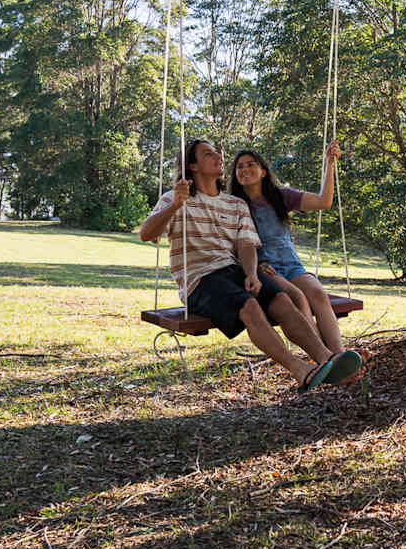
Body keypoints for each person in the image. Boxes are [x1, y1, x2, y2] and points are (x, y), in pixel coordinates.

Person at [139, 138, 362, 392]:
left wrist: (250, 273)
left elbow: (246, 244)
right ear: (193, 166)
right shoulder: (175, 198)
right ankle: (300, 370)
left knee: (281, 300)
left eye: (217, 152)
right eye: (209, 154)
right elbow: (147, 234)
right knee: (249, 305)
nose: (218, 156)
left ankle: (328, 359)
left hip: (233, 271)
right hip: (201, 279)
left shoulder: (235, 204)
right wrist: (176, 205)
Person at [228, 140, 352, 358]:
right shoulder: (233, 204)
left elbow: (324, 202)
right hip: (265, 269)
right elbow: (234, 244)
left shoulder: (281, 196)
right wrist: (254, 268)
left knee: (318, 294)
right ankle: (324, 358)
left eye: (250, 164)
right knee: (299, 299)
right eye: (240, 166)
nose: (245, 169)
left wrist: (329, 165)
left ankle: (340, 354)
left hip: (291, 264)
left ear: (263, 171)